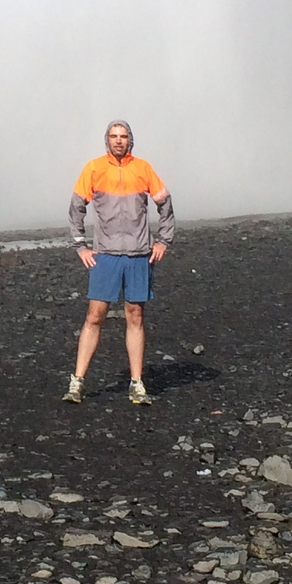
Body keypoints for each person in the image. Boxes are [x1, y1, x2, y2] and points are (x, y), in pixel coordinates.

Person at [66, 120, 174, 405]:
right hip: (106, 255)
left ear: (130, 140)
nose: (118, 141)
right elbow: (76, 207)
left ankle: (137, 383)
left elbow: (165, 203)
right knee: (94, 315)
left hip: (139, 255)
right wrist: (80, 246)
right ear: (107, 140)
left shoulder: (143, 168)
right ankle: (77, 382)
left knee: (135, 316)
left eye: (123, 136)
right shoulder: (94, 168)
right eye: (113, 136)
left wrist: (164, 241)